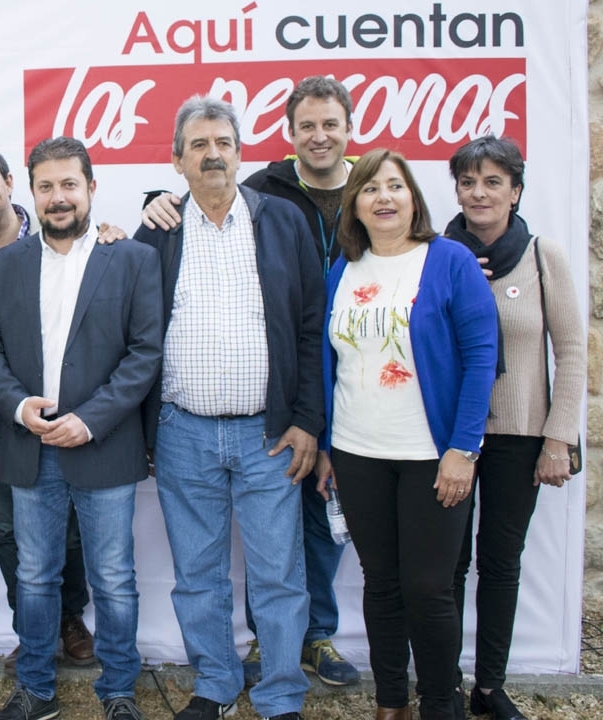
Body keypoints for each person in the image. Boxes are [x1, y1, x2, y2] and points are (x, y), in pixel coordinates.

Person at [141, 76, 360, 687]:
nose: (213, 153)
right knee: (198, 575)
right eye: (198, 143)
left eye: (224, 141)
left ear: (241, 151)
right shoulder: (156, 232)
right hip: (183, 433)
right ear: (176, 158)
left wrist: (307, 423)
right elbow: (134, 336)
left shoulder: (281, 221)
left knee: (279, 575)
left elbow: (312, 330)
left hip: (270, 437)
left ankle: (282, 691)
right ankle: (215, 683)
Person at [0, 136, 163, 720]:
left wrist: (91, 419)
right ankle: (34, 689)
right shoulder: (6, 264)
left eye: (69, 185)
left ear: (92, 189)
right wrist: (17, 406)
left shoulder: (131, 258)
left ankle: (119, 692)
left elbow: (144, 353)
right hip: (30, 445)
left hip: (103, 446)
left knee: (113, 576)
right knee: (34, 575)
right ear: (31, 192)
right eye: (47, 187)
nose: (59, 198)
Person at [316, 149, 498, 720]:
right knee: (382, 585)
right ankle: (391, 702)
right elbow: (330, 361)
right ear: (356, 205)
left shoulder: (450, 260)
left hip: (431, 456)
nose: (384, 198)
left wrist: (463, 449)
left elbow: (480, 357)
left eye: (395, 186)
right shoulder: (344, 269)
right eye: (370, 189)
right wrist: (327, 448)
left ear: (413, 196)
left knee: (429, 589)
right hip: (357, 452)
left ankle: (440, 704)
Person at [0, 143, 117, 674]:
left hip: (65, 406)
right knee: (13, 526)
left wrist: (111, 232)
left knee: (66, 524)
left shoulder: (61, 228)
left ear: (11, 182)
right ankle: (32, 628)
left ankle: (69, 619)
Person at [444, 136, 586, 720]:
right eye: (469, 182)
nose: (479, 193)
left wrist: (558, 437)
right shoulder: (436, 254)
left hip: (520, 435)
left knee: (500, 561)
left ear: (515, 191)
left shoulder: (542, 256)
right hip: (451, 436)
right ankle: (445, 681)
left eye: (492, 182)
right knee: (445, 564)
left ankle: (489, 687)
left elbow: (573, 349)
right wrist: (455, 284)